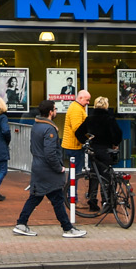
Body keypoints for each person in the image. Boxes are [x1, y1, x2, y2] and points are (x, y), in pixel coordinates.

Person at [13, 102, 84, 238]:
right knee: (56, 198)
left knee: (36, 196)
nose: (56, 111)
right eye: (55, 109)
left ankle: (21, 223)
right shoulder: (49, 129)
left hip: (39, 167)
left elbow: (33, 148)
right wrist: (59, 168)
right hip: (48, 171)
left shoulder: (37, 126)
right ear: (51, 112)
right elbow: (50, 153)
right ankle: (67, 228)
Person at [61, 89, 90, 176]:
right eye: (87, 100)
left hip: (73, 144)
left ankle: (71, 189)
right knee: (75, 172)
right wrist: (86, 138)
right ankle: (72, 189)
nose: (88, 102)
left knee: (74, 171)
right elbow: (77, 128)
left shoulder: (78, 107)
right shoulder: (76, 109)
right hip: (74, 146)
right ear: (80, 98)